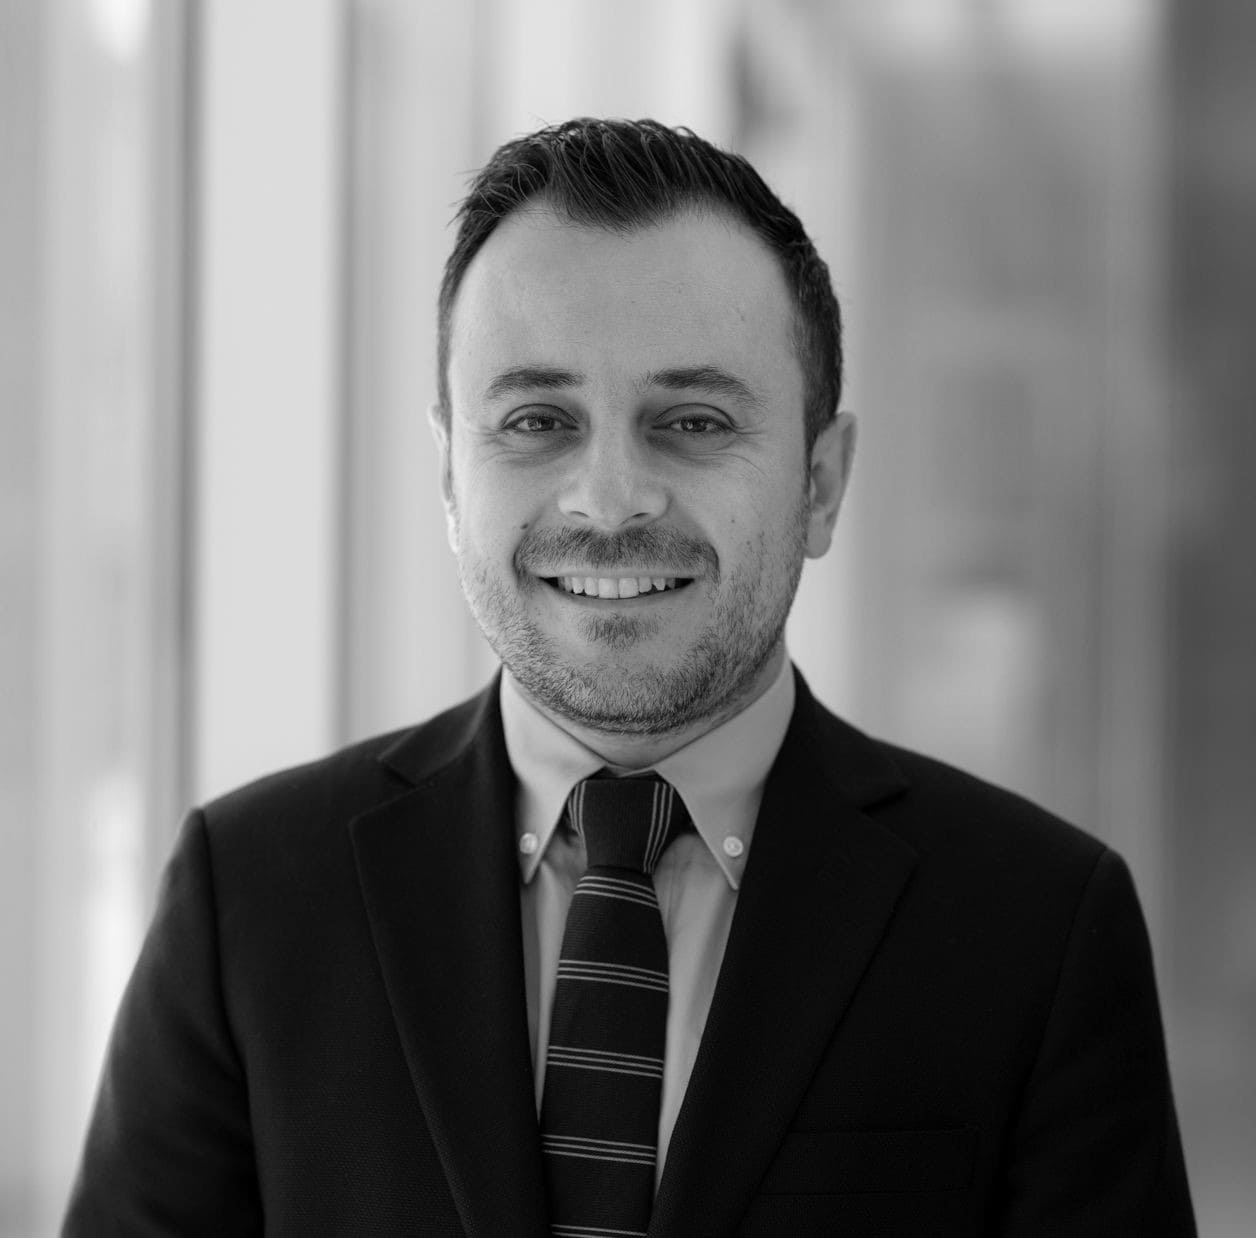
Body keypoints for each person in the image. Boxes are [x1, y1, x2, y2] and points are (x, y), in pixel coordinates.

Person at [64, 118, 1195, 1237]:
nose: (609, 500)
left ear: (818, 483)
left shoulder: (1035, 928)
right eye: (536, 419)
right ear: (450, 474)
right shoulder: (250, 897)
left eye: (692, 420)